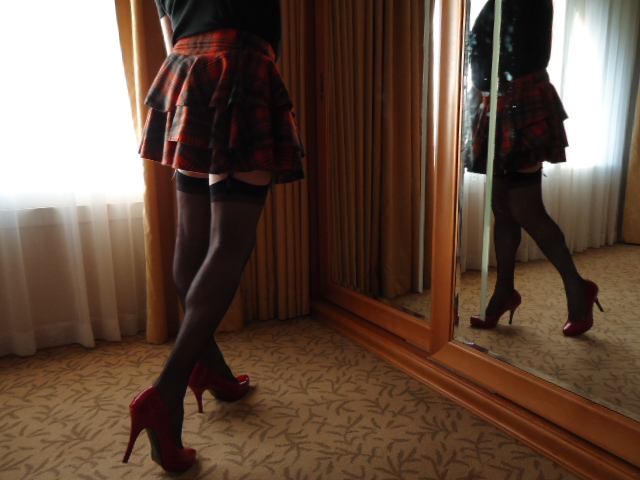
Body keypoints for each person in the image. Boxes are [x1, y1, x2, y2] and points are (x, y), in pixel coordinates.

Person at [122, 0, 305, 472]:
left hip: (186, 71)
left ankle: (213, 370)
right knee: (229, 244)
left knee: (193, 235)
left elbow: (170, 32)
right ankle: (167, 391)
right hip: (243, 66)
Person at [465, 0, 601, 336]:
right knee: (502, 209)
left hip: (520, 102)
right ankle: (504, 292)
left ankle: (577, 287)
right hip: (496, 103)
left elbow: (523, 52)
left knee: (526, 210)